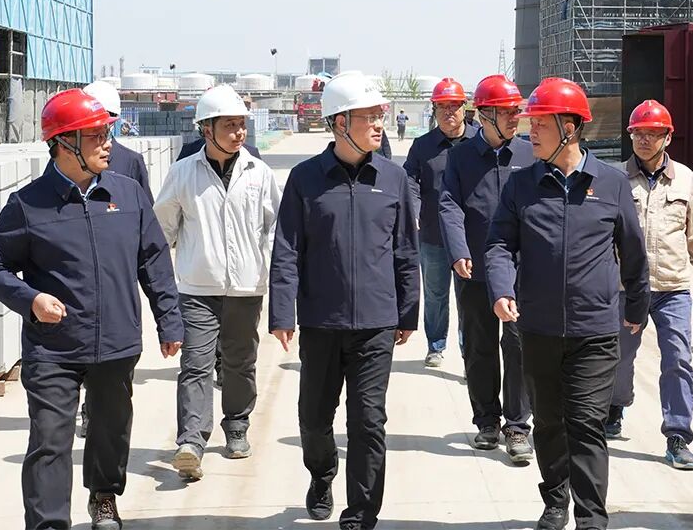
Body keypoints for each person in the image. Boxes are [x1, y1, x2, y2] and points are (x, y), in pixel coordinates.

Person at [0, 89, 183, 530]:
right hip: (53, 348)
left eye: (107, 133)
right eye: (96, 136)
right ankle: (49, 523)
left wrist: (169, 319)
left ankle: (104, 496)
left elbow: (153, 260)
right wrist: (30, 300)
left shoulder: (127, 194)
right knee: (50, 441)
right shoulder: (27, 205)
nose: (108, 143)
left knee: (111, 429)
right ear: (64, 143)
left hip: (116, 340)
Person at [486, 77, 650, 530]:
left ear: (570, 128)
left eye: (541, 123)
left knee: (586, 423)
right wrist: (501, 289)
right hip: (537, 328)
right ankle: (556, 501)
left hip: (595, 330)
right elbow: (499, 244)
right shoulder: (521, 185)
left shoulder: (612, 184)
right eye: (531, 122)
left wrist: (637, 307)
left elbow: (633, 250)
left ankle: (592, 517)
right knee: (549, 422)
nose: (531, 131)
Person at [269, 71, 420, 530]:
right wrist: (282, 312)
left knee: (368, 421)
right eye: (369, 116)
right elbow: (287, 249)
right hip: (321, 320)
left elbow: (406, 250)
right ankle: (322, 473)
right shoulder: (305, 179)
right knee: (314, 419)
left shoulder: (393, 178)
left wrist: (408, 311)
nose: (379, 123)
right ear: (339, 122)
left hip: (376, 323)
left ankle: (360, 515)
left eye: (380, 115)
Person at [154, 85, 281, 481]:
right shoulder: (183, 173)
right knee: (195, 364)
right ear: (206, 130)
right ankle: (191, 442)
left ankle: (237, 426)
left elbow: (275, 228)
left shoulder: (259, 173)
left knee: (241, 363)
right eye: (229, 125)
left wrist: (271, 271)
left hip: (246, 288)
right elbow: (163, 229)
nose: (239, 132)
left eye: (241, 125)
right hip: (197, 288)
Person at [609, 99, 693, 471]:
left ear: (667, 137)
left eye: (652, 134)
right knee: (619, 358)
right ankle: (615, 406)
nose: (644, 140)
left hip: (673, 287)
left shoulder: (685, 179)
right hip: (627, 288)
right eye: (638, 133)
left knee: (678, 359)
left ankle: (677, 435)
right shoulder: (616, 180)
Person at [439, 75, 535, 464]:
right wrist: (458, 250)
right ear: (483, 115)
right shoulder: (460, 158)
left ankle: (517, 426)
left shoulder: (530, 154)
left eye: (516, 111)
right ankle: (487, 421)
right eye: (507, 112)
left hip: (519, 270)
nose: (515, 118)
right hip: (474, 270)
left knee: (518, 344)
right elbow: (449, 205)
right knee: (479, 347)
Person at [72, 81, 154, 439]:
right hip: (82, 272)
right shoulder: (70, 158)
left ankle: (107, 412)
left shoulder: (130, 162)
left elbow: (145, 219)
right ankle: (90, 410)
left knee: (118, 352)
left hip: (119, 272)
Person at [403, 77, 477, 367]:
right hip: (433, 236)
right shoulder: (423, 147)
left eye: (454, 106)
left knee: (468, 298)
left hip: (470, 238)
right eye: (442, 107)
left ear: (464, 109)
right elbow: (409, 181)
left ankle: (469, 350)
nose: (449, 112)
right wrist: (414, 210)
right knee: (435, 295)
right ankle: (435, 346)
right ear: (434, 110)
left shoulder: (479, 142)